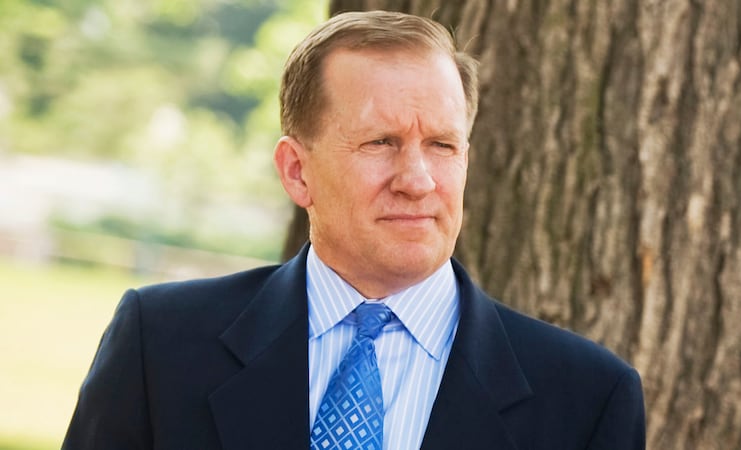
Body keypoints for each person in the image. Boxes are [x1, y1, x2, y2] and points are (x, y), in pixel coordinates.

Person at [63, 10, 646, 450]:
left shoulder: (588, 398)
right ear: (298, 172)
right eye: (380, 143)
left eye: (442, 145)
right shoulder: (159, 347)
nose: (417, 180)